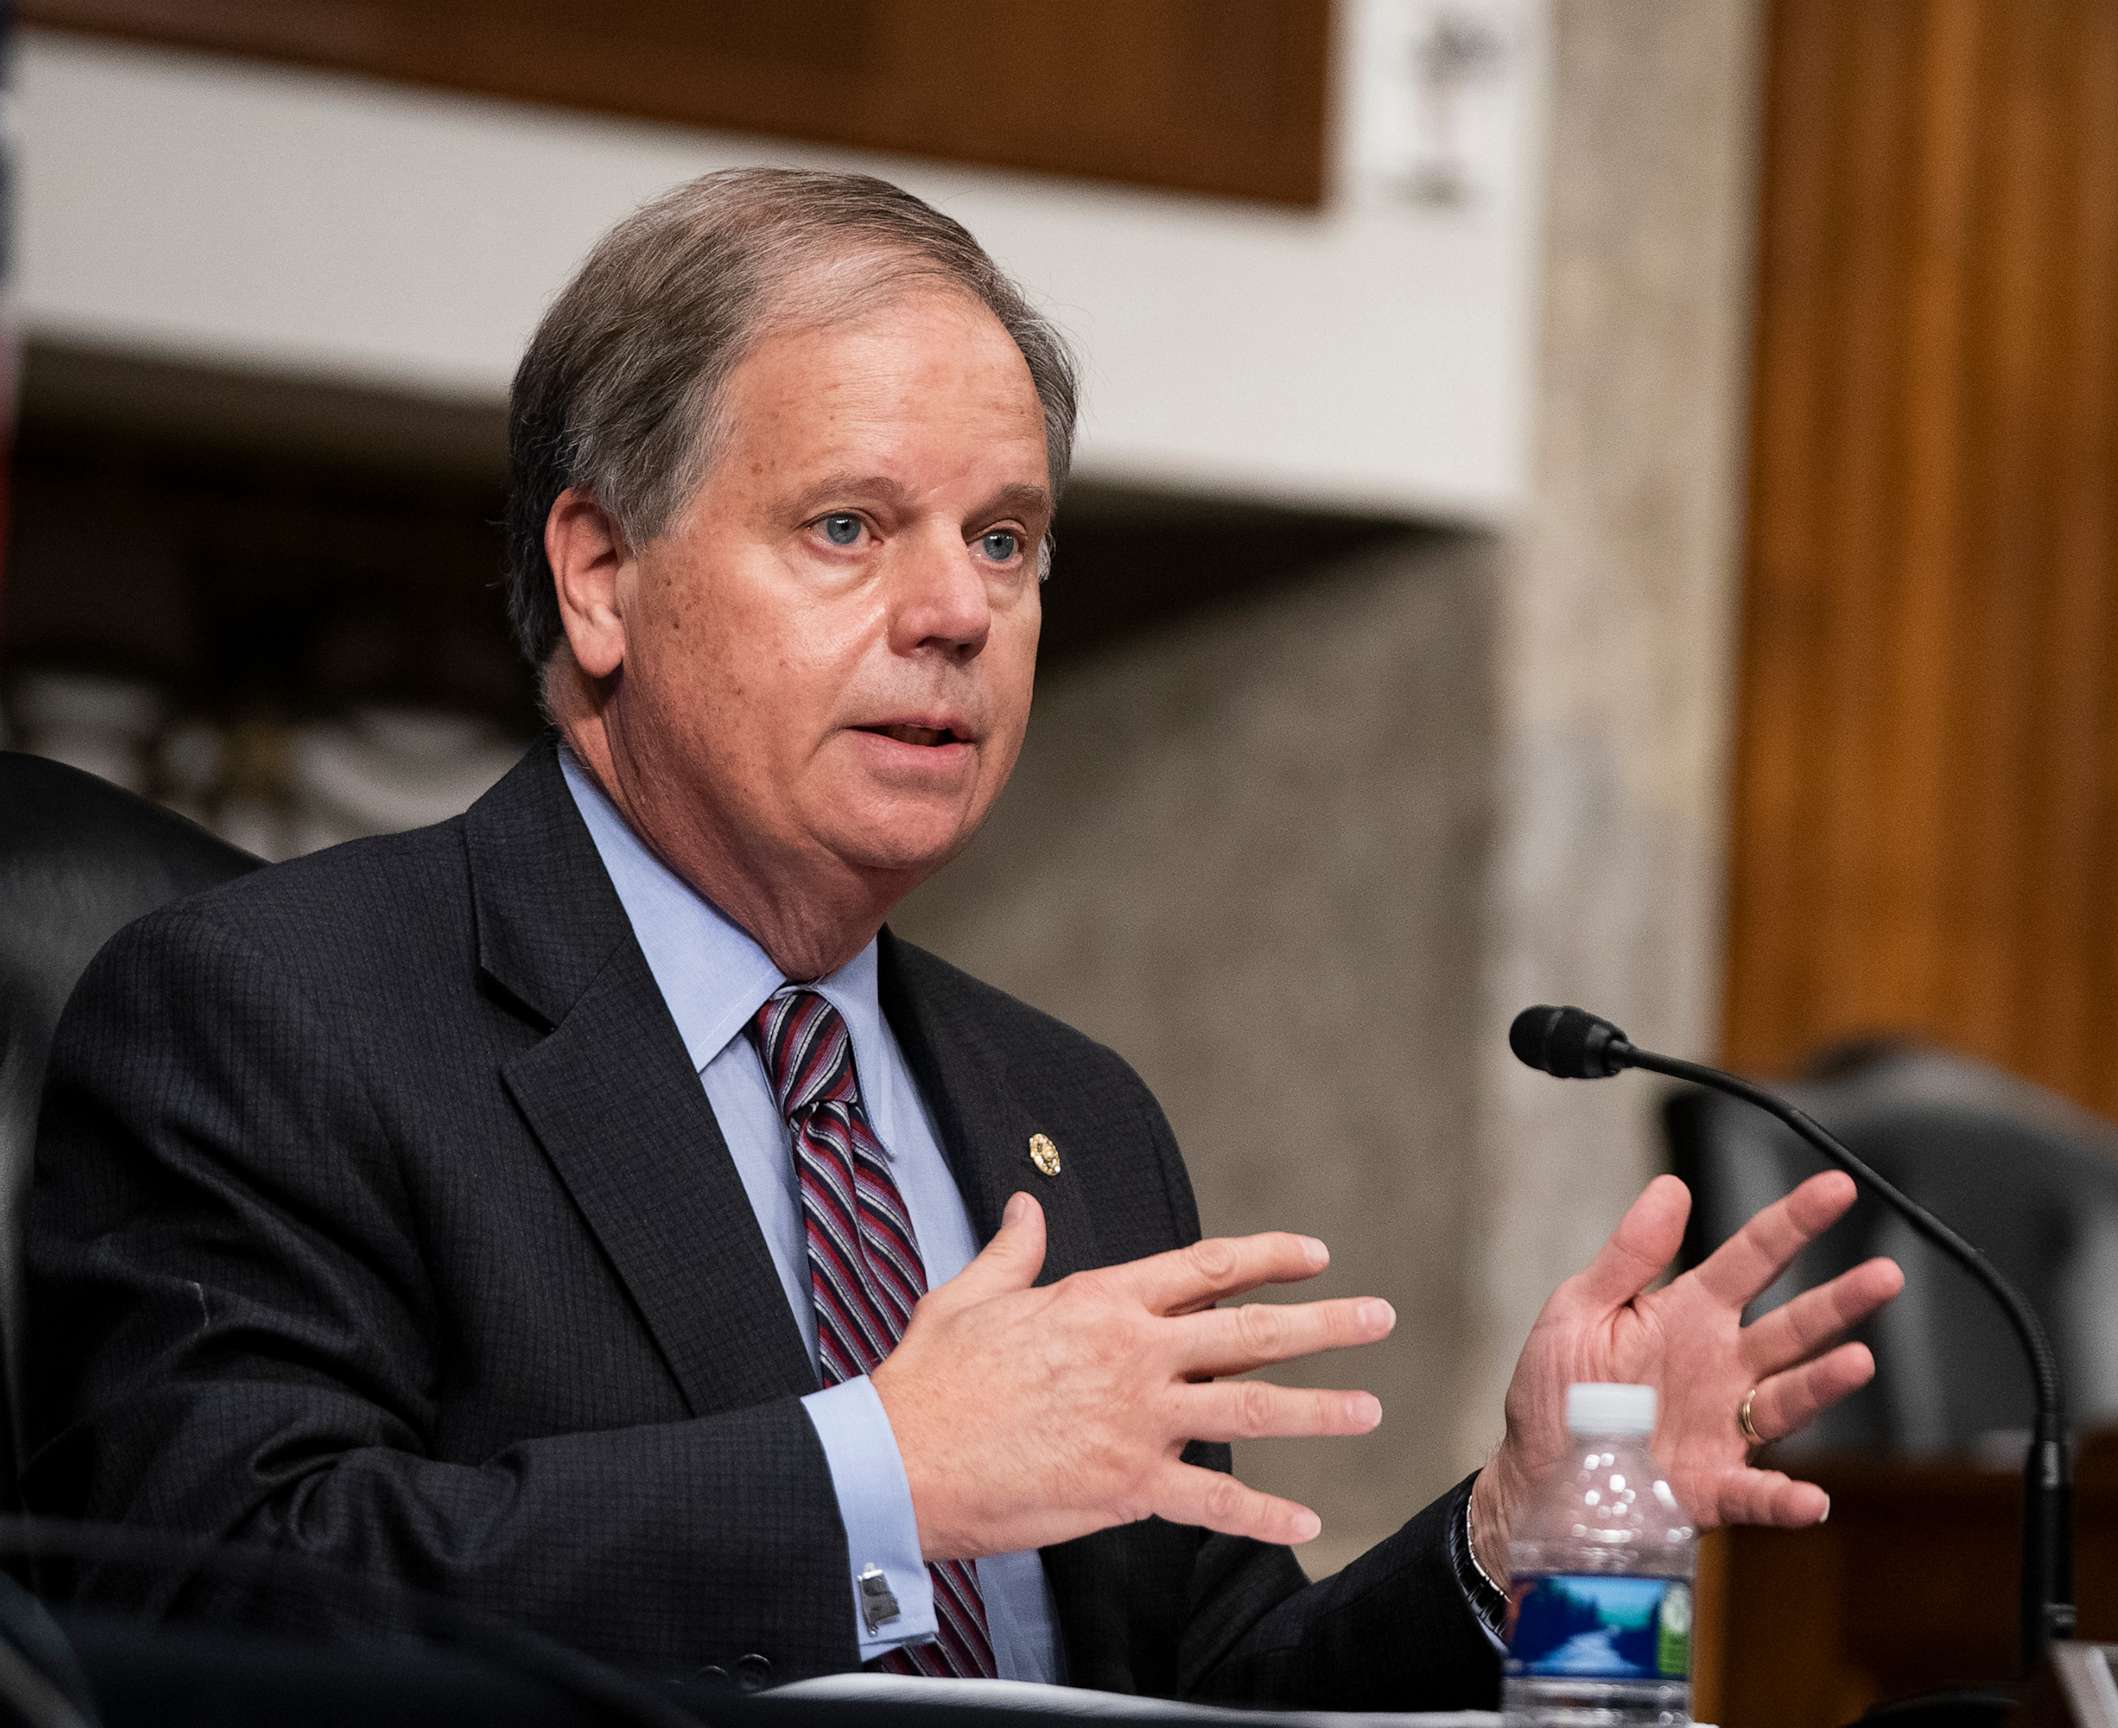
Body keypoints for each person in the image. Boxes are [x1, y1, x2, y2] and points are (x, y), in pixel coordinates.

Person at [21, 169, 1902, 1704]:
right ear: (599, 575)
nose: (955, 613)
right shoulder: (279, 1009)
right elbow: (226, 1600)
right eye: (851, 527)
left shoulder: (1060, 1105)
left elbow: (1210, 1691)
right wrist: (882, 1477)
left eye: (1006, 541)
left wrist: (1527, 1536)